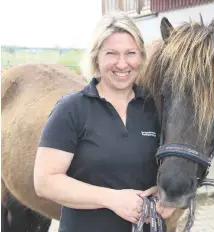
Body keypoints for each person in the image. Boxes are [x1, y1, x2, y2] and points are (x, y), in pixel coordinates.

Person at [33, 11, 175, 232]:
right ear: (96, 58)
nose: (122, 63)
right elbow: (45, 182)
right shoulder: (72, 109)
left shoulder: (155, 109)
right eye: (111, 53)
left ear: (141, 57)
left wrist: (165, 193)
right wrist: (112, 199)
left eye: (131, 53)